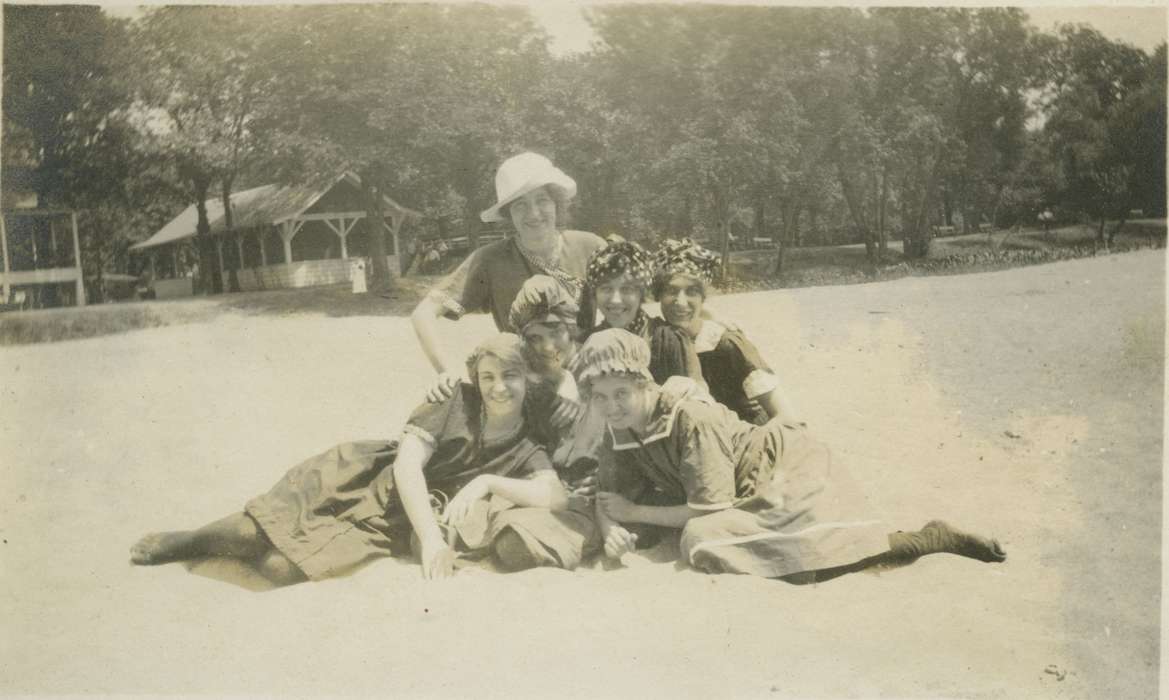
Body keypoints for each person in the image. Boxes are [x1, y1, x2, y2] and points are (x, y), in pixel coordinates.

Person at [129, 334, 574, 584]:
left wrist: (487, 484)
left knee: (278, 569)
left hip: (393, 523)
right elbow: (405, 465)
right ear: (474, 378)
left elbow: (553, 495)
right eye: (488, 377)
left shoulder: (526, 443)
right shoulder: (456, 400)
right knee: (252, 535)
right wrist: (433, 539)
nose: (499, 387)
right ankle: (187, 540)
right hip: (364, 480)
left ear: (528, 379)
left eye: (511, 376)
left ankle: (218, 545)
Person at [577, 329, 1007, 583]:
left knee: (714, 542)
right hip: (746, 492)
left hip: (785, 469)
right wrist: (610, 525)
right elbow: (606, 494)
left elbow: (708, 506)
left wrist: (633, 511)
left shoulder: (690, 416)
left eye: (622, 393)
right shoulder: (620, 428)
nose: (612, 406)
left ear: (645, 384)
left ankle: (928, 539)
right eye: (600, 397)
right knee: (733, 548)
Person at [411, 152, 606, 395]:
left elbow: (629, 308)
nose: (534, 213)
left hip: (590, 381)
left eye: (542, 200)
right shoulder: (491, 259)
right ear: (508, 214)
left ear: (557, 202)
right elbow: (424, 313)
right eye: (520, 205)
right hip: (526, 387)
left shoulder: (589, 247)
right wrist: (444, 371)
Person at [652, 238, 798, 425]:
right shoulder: (659, 339)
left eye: (691, 292)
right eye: (671, 291)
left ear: (703, 297)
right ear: (659, 296)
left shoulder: (725, 344)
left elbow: (787, 417)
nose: (680, 302)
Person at [581, 240, 704, 386]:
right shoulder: (585, 342)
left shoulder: (669, 339)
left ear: (641, 294)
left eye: (627, 289)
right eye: (606, 289)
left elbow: (698, 397)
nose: (615, 300)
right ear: (595, 294)